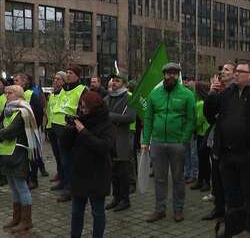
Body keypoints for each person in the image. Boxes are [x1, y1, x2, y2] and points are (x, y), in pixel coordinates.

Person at [204, 62, 250, 237]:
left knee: (249, 194)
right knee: (231, 194)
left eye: (240, 72)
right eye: (235, 72)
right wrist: (212, 93)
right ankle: (234, 226)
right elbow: (209, 114)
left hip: (247, 154)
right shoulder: (227, 94)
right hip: (226, 153)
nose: (235, 75)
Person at [142, 62, 196, 223]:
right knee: (159, 178)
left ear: (178, 75)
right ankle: (160, 210)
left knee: (178, 178)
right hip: (157, 143)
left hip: (177, 144)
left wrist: (184, 139)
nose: (171, 76)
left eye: (174, 73)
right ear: (164, 75)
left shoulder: (187, 94)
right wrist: (146, 140)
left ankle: (178, 210)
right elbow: (148, 118)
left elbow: (191, 119)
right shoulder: (155, 94)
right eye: (168, 73)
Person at [62, 91, 113, 238]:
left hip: (98, 174)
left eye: (85, 108)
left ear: (94, 108)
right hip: (79, 172)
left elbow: (103, 147)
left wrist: (83, 132)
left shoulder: (106, 124)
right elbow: (65, 146)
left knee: (97, 211)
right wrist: (69, 130)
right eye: (81, 108)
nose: (82, 111)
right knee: (76, 211)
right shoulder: (80, 120)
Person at [1, 85, 41, 235]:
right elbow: (3, 127)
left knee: (21, 187)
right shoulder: (9, 111)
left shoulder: (22, 111)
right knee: (13, 187)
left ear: (18, 94)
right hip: (7, 153)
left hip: (18, 154)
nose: (6, 95)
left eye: (9, 93)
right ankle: (16, 218)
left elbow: (10, 131)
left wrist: (1, 134)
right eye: (5, 93)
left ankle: (26, 221)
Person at [202, 62, 236, 221]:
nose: (223, 72)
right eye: (222, 70)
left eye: (227, 69)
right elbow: (209, 115)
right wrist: (211, 93)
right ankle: (219, 208)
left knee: (230, 182)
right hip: (218, 142)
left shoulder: (239, 92)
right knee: (216, 178)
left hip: (234, 145)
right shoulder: (220, 93)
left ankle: (232, 212)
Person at [50, 66, 87, 203]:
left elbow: (85, 109)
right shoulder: (64, 90)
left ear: (78, 76)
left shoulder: (82, 89)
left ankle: (71, 189)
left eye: (70, 73)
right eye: (67, 73)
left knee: (70, 161)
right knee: (63, 160)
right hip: (59, 127)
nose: (68, 75)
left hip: (72, 129)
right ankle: (65, 183)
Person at [104, 73, 135, 212]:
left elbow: (130, 117)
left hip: (122, 139)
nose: (114, 83)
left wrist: (110, 116)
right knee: (113, 172)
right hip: (109, 139)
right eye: (113, 80)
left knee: (123, 172)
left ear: (124, 83)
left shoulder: (129, 98)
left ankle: (125, 199)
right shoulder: (107, 98)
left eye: (117, 81)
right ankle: (116, 198)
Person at [13, 73, 47, 189]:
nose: (15, 83)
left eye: (17, 80)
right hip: (19, 132)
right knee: (23, 156)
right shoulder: (15, 96)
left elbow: (39, 112)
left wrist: (33, 126)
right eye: (14, 80)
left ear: (24, 82)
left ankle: (33, 179)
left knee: (32, 156)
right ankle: (25, 178)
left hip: (30, 130)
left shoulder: (30, 95)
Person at [190, 81, 211, 192]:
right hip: (201, 134)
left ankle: (206, 181)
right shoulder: (202, 102)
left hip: (203, 134)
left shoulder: (201, 103)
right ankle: (201, 180)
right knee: (202, 158)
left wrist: (192, 127)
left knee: (204, 159)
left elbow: (199, 120)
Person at [46, 72, 66, 188]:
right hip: (52, 128)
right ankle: (60, 175)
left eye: (58, 79)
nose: (55, 81)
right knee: (57, 155)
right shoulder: (52, 95)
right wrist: (47, 127)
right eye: (54, 78)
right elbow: (49, 112)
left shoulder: (65, 94)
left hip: (61, 128)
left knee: (63, 156)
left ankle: (65, 180)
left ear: (63, 81)